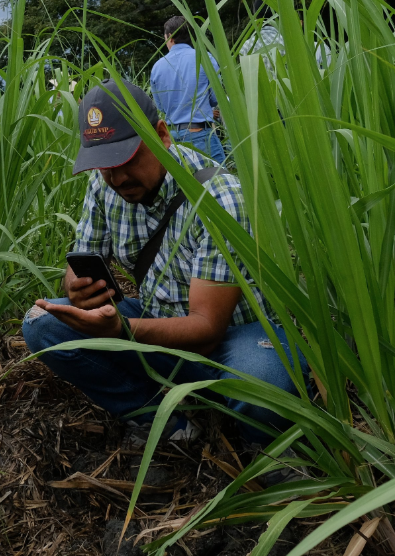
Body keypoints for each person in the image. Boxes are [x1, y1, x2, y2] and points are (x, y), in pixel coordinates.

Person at [22, 79, 305, 452]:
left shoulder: (220, 198)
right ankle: (161, 420)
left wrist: (121, 330)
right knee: (41, 324)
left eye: (127, 160)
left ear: (161, 135)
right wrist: (76, 285)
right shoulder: (103, 185)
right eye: (104, 166)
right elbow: (81, 258)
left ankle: (266, 451)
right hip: (157, 323)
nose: (117, 178)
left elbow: (206, 329)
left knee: (265, 382)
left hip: (233, 339)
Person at [150, 16, 225, 164]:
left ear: (170, 37)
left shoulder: (157, 67)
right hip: (201, 134)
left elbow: (161, 107)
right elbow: (217, 98)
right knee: (220, 181)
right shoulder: (205, 58)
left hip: (173, 139)